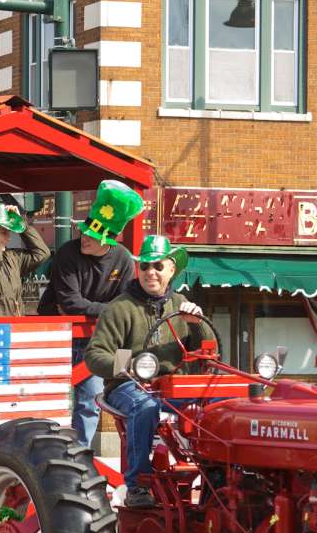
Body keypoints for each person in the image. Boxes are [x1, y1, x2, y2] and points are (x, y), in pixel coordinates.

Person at [85, 235, 214, 509]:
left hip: (173, 386)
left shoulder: (182, 304)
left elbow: (208, 349)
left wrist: (197, 323)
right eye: (144, 266)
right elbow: (95, 356)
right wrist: (130, 365)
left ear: (171, 269)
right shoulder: (119, 308)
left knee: (218, 405)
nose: (150, 272)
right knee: (144, 407)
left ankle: (217, 480)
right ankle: (137, 485)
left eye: (157, 266)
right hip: (126, 386)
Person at [38, 180, 143, 449]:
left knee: (90, 399)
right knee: (51, 398)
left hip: (98, 339)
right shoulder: (67, 253)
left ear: (107, 240)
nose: (84, 238)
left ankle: (80, 454)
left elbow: (125, 305)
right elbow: (70, 302)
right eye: (84, 232)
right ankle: (50, 453)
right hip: (58, 335)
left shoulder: (123, 259)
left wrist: (100, 311)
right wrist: (107, 310)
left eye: (92, 237)